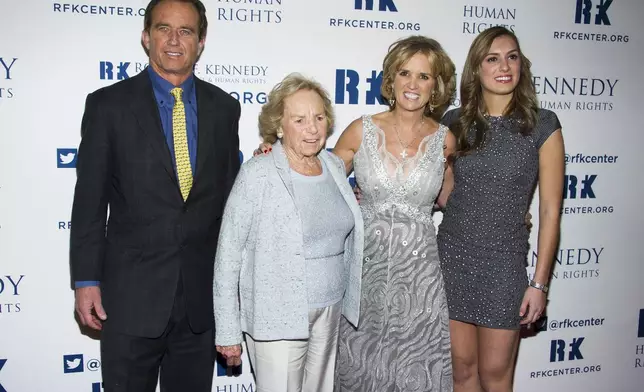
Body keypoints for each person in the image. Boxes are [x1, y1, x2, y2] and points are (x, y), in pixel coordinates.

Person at [69, 1, 241, 390]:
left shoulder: (225, 109)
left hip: (200, 301)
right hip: (130, 299)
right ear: (146, 37)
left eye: (186, 31)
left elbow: (230, 205)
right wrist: (86, 281)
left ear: (201, 42)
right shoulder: (108, 105)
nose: (174, 40)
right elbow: (89, 204)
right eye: (164, 29)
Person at [213, 74, 364, 392]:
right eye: (300, 119)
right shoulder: (258, 173)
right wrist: (228, 331)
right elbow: (229, 255)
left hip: (330, 308)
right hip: (276, 314)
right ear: (279, 126)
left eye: (319, 117)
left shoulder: (334, 166)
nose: (312, 128)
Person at [437, 26, 564, 392]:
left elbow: (551, 213)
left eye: (512, 57)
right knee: (461, 372)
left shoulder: (543, 126)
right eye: (492, 58)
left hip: (503, 264)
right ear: (477, 68)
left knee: (495, 375)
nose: (504, 66)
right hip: (453, 257)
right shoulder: (454, 123)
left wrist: (539, 284)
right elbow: (443, 192)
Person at [331, 35, 456, 391]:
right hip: (365, 271)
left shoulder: (446, 140)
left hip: (421, 277)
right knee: (361, 365)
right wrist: (276, 157)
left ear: (436, 86)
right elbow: (319, 183)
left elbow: (454, 200)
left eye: (424, 76)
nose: (412, 84)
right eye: (405, 73)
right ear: (391, 78)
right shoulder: (361, 130)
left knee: (415, 368)